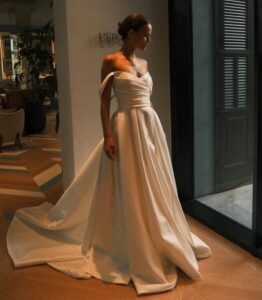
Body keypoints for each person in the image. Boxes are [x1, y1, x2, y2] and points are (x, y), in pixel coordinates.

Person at [6, 13, 212, 295]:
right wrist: (108, 135)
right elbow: (104, 104)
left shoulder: (144, 62)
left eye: (149, 35)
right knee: (125, 182)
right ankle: (126, 240)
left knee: (154, 181)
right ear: (130, 34)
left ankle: (159, 234)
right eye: (145, 34)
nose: (148, 39)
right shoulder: (110, 61)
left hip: (150, 128)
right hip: (125, 127)